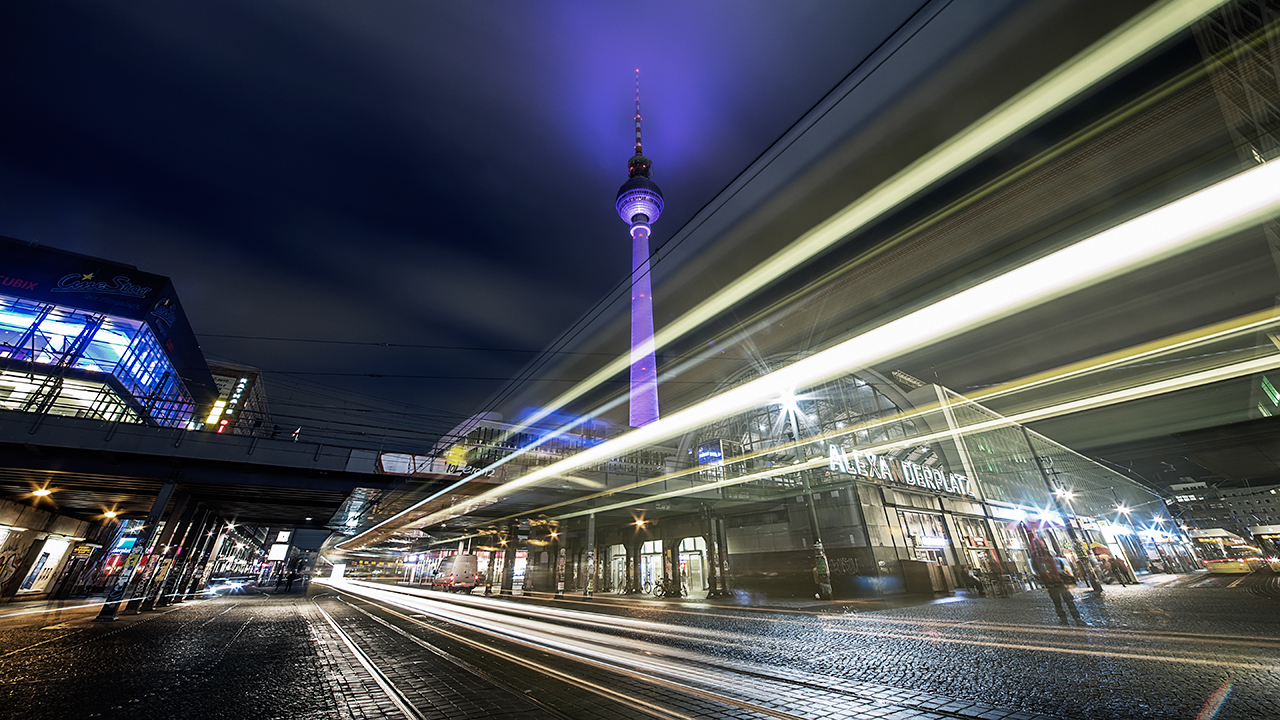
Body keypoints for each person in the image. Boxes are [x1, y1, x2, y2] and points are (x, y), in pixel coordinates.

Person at [1033, 551, 1082, 624]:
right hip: (1060, 584)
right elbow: (1064, 571)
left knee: (1059, 603)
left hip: (1053, 585)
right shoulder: (1057, 560)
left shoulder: (1043, 564)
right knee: (1068, 602)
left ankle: (1064, 620)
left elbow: (1040, 574)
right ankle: (1076, 618)